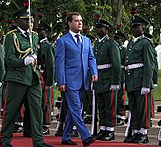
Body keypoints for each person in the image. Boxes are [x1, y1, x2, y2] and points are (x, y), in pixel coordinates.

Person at [0, 7, 53, 147]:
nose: (30, 22)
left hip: (33, 77)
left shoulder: (34, 36)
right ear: (18, 21)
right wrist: (24, 61)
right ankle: (5, 139)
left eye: (31, 20)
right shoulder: (12, 36)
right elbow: (9, 60)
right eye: (26, 20)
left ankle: (38, 141)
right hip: (17, 77)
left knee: (37, 110)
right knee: (12, 110)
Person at [55, 12, 97, 146]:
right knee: (76, 108)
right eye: (76, 21)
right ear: (69, 23)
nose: (80, 23)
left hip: (84, 80)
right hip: (70, 81)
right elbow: (59, 63)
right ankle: (86, 136)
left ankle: (66, 136)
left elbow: (91, 58)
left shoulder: (87, 40)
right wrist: (61, 81)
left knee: (74, 110)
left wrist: (94, 71)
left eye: (81, 20)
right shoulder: (62, 41)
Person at [124, 16, 154, 144]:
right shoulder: (131, 43)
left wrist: (146, 84)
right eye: (133, 27)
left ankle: (143, 133)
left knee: (143, 109)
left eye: (137, 27)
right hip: (132, 80)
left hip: (141, 80)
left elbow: (149, 64)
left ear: (143, 28)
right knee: (134, 108)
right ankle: (136, 132)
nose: (134, 29)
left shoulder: (146, 43)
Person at [93, 19, 121, 141]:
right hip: (99, 79)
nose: (99, 30)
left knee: (110, 106)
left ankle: (110, 130)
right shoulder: (97, 44)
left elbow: (116, 64)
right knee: (101, 106)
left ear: (106, 30)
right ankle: (103, 128)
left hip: (108, 79)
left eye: (101, 28)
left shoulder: (111, 43)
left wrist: (115, 82)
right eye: (97, 28)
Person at [36, 21, 55, 135]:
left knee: (45, 102)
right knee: (38, 101)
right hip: (38, 75)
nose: (38, 32)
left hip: (45, 75)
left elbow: (50, 65)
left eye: (40, 31)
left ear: (46, 32)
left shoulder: (48, 46)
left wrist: (49, 82)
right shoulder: (37, 43)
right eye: (38, 31)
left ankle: (46, 125)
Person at [113, 30, 127, 126]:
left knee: (120, 97)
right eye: (115, 38)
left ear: (122, 40)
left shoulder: (124, 50)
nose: (116, 40)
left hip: (122, 75)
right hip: (113, 75)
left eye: (117, 38)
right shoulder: (113, 48)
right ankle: (114, 115)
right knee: (114, 97)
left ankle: (121, 115)